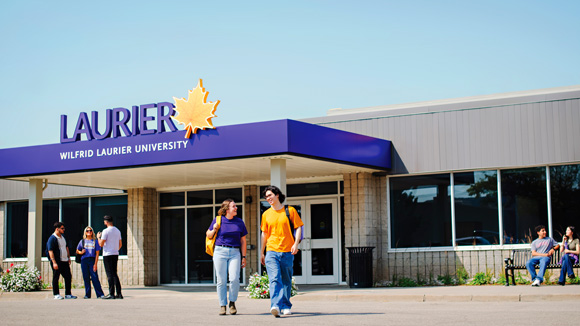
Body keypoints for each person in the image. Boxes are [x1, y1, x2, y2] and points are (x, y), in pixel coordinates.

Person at [260, 185, 303, 317]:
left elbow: (299, 227)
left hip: (287, 251)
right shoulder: (266, 214)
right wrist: (262, 252)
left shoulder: (290, 211)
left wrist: (296, 244)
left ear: (277, 195)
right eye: (266, 197)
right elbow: (264, 234)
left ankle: (285, 305)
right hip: (272, 250)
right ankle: (275, 305)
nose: (268, 198)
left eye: (270, 195)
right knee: (274, 279)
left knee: (286, 280)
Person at [206, 199, 248, 315]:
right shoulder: (218, 220)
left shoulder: (239, 222)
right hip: (220, 251)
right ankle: (222, 305)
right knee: (221, 280)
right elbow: (208, 235)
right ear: (227, 209)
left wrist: (244, 256)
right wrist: (214, 228)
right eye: (234, 206)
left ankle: (232, 302)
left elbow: (243, 241)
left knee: (234, 279)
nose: (236, 208)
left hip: (235, 252)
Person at [46, 222, 77, 300]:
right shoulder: (52, 238)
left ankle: (68, 294)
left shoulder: (63, 237)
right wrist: (54, 262)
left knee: (68, 277)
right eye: (62, 228)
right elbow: (50, 251)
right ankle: (56, 294)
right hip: (57, 261)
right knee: (56, 277)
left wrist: (68, 257)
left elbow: (66, 247)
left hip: (64, 261)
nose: (64, 230)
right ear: (57, 229)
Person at [97, 215, 123, 299]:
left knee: (109, 274)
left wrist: (98, 237)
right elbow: (120, 244)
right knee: (114, 273)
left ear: (106, 222)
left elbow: (101, 244)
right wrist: (115, 249)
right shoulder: (117, 231)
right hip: (115, 254)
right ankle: (119, 293)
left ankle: (111, 293)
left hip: (107, 254)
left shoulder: (105, 231)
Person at [76, 226, 105, 299]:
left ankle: (100, 294)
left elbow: (97, 253)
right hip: (84, 260)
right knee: (86, 278)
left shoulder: (95, 241)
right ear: (85, 232)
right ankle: (87, 294)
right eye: (87, 231)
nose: (89, 232)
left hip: (92, 260)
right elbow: (77, 250)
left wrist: (95, 264)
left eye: (90, 231)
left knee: (94, 277)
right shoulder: (82, 241)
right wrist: (80, 252)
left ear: (92, 232)